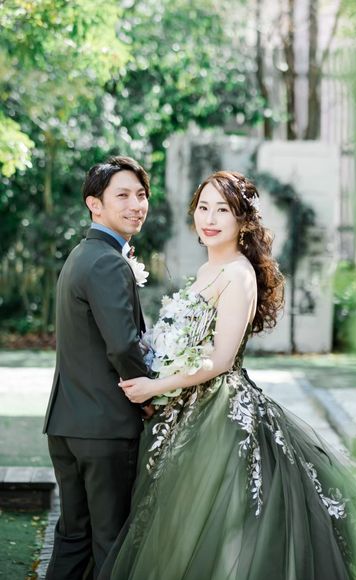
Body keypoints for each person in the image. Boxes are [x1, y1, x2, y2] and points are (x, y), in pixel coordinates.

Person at [100, 171, 356, 580]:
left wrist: (156, 385)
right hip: (186, 410)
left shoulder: (238, 274)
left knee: (222, 525)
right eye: (203, 207)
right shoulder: (208, 269)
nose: (209, 219)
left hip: (221, 415)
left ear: (243, 220)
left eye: (222, 210)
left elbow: (222, 360)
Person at [43, 156, 153, 580]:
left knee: (74, 538)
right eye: (122, 195)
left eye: (141, 195)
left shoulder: (80, 255)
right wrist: (146, 394)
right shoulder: (107, 261)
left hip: (67, 425)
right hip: (105, 428)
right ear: (95, 204)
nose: (135, 205)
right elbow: (122, 345)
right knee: (111, 544)